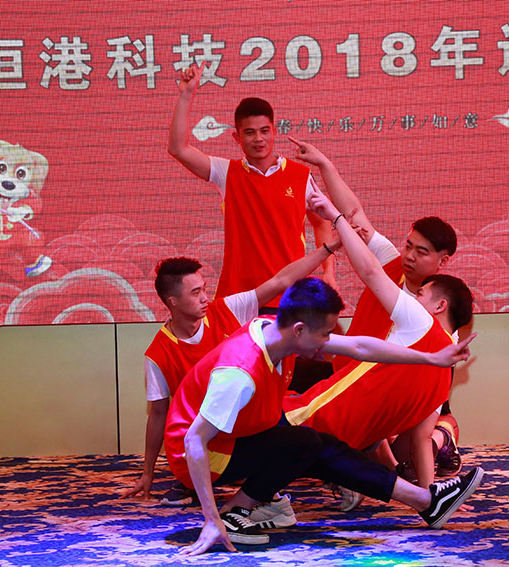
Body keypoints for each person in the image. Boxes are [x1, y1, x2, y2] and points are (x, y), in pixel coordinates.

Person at [164, 277, 483, 555]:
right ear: (300, 330)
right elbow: (193, 440)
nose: (328, 342)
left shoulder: (277, 330)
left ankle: (425, 501)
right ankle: (233, 512)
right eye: (325, 334)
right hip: (199, 452)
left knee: (315, 444)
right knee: (305, 443)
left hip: (236, 432)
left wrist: (431, 358)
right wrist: (211, 520)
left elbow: (360, 347)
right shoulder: (239, 373)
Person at [288, 138, 466, 482]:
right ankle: (375, 464)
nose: (410, 256)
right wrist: (325, 165)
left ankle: (437, 446)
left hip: (392, 402)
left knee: (437, 426)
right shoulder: (391, 261)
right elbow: (355, 214)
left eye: (422, 252)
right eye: (409, 246)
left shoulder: (440, 320)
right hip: (353, 381)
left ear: (442, 261)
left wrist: (422, 483)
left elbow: (413, 400)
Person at [122, 239, 338, 506]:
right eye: (195, 293)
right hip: (207, 439)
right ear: (172, 302)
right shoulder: (158, 354)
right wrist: (148, 474)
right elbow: (158, 415)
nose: (205, 298)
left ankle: (329, 476)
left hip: (248, 425)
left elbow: (281, 281)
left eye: (204, 289)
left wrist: (328, 249)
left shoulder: (226, 310)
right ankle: (206, 484)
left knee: (304, 425)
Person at [168, 63, 334, 309]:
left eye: (265, 131)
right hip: (238, 298)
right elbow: (178, 149)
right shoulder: (226, 172)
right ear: (237, 137)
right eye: (250, 133)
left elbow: (322, 224)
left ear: (274, 131)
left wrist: (328, 271)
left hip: (288, 299)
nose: (259, 139)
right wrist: (185, 94)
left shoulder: (301, 175)